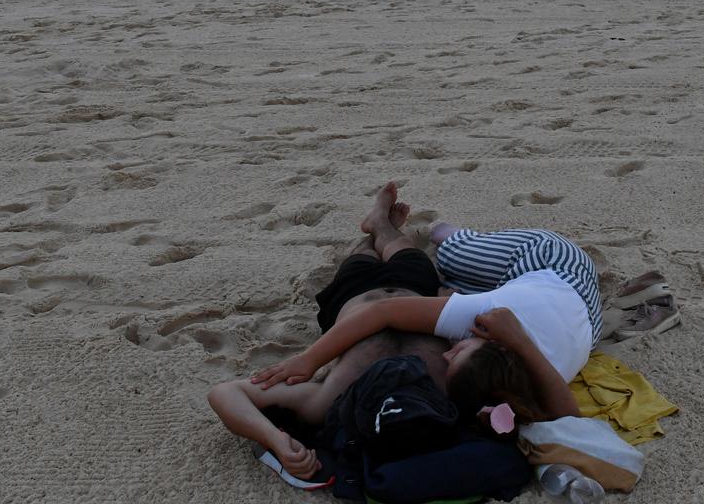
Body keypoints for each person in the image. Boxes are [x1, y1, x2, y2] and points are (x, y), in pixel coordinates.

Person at [253, 182, 597, 427]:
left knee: (446, 285)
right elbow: (382, 311)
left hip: (583, 319)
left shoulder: (536, 383)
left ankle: (390, 231)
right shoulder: (484, 316)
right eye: (459, 351)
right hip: (552, 263)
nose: (448, 352)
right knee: (448, 252)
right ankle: (452, 236)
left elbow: (567, 418)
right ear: (494, 342)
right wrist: (309, 360)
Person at [211, 193, 451, 479]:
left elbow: (224, 393)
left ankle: (375, 227)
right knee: (403, 250)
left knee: (361, 258)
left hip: (353, 295)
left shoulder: (330, 401)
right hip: (418, 292)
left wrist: (274, 439)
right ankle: (383, 226)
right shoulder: (452, 391)